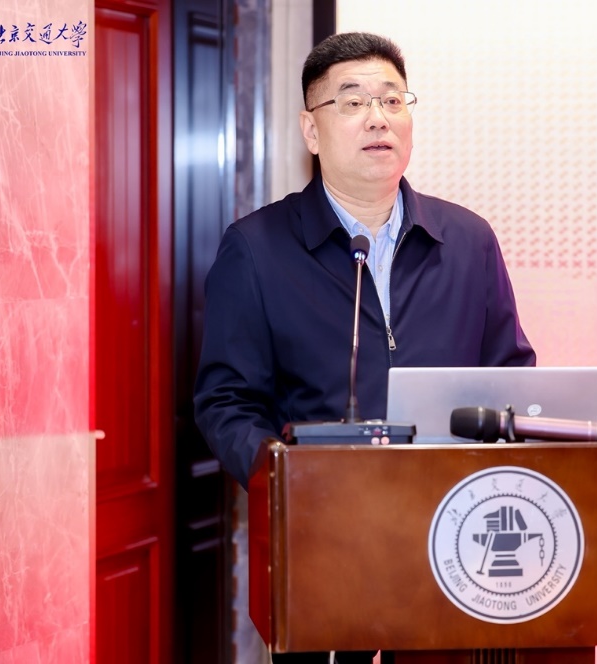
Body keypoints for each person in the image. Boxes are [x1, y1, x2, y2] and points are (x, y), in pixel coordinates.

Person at [193, 32, 536, 664]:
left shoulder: (468, 240)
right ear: (311, 129)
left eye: (392, 100)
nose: (378, 117)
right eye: (352, 102)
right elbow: (226, 402)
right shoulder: (257, 248)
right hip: (323, 545)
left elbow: (511, 374)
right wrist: (283, 478)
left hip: (453, 541)